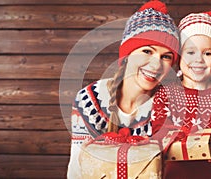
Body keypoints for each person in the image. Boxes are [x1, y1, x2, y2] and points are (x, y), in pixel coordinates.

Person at [67, 0, 180, 178]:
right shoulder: (89, 100)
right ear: (127, 54)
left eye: (166, 57)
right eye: (147, 51)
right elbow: (77, 169)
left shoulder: (170, 106)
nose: (156, 64)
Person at [151, 11, 211, 179]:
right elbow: (159, 130)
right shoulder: (164, 95)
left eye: (207, 53)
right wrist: (189, 138)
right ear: (180, 59)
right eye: (191, 52)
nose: (199, 59)